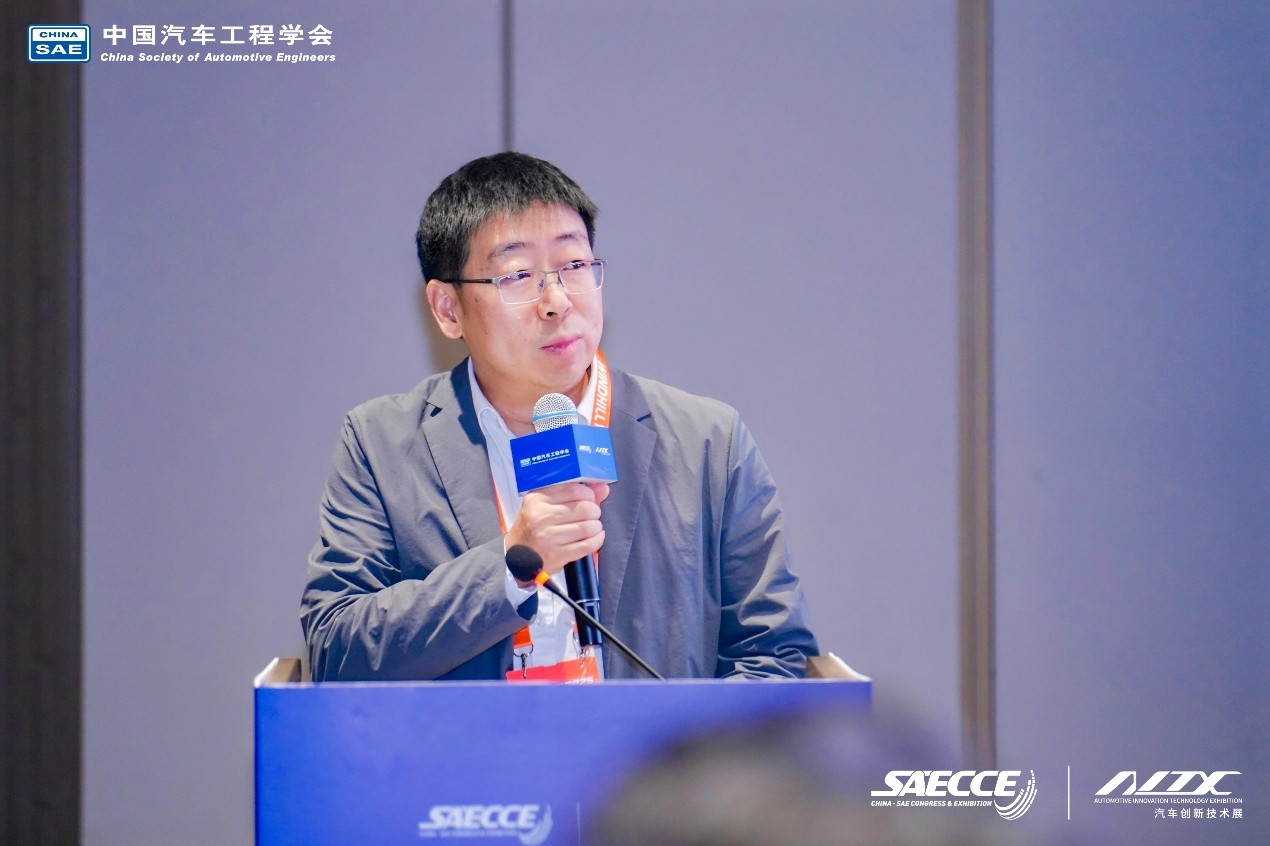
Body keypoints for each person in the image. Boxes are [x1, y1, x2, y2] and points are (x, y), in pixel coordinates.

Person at [300, 151, 817, 681]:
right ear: (448, 309)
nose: (556, 300)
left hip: (654, 740)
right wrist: (509, 565)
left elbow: (775, 658)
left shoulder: (708, 443)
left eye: (573, 266)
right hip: (472, 739)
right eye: (518, 275)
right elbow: (336, 649)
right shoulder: (380, 444)